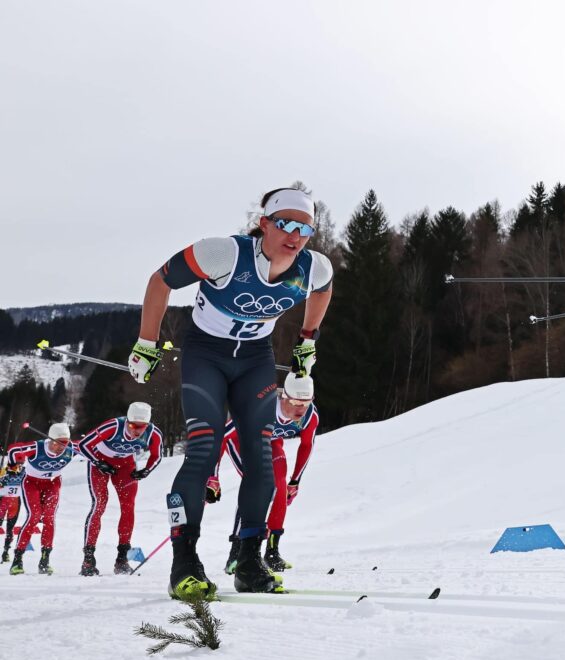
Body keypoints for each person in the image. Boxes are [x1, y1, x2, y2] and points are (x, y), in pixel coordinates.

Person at [130, 187, 333, 599]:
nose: (294, 236)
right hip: (206, 354)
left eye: (305, 228)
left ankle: (249, 560)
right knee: (203, 450)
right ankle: (184, 561)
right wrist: (146, 342)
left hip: (255, 359)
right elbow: (160, 280)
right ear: (264, 225)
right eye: (285, 224)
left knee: (261, 455)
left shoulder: (313, 268)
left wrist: (308, 337)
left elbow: (323, 290)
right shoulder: (224, 254)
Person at [207, 372, 320, 574]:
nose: (300, 408)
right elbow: (222, 437)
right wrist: (212, 476)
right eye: (295, 401)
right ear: (284, 397)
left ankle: (272, 551)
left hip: (270, 443)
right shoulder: (262, 408)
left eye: (306, 402)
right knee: (257, 486)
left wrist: (295, 481)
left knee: (280, 486)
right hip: (242, 442)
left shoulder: (310, 415)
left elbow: (307, 445)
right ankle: (236, 552)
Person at [77, 401, 163, 575]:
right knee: (99, 504)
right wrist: (98, 462)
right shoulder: (114, 426)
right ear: (127, 421)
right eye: (132, 426)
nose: (136, 431)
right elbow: (83, 445)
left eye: (142, 427)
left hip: (125, 465)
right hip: (100, 463)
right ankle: (88, 559)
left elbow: (157, 456)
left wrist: (145, 470)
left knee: (128, 506)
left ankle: (122, 558)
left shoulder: (153, 433)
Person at [5, 423, 78, 575]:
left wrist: (102, 463)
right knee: (34, 516)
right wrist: (12, 467)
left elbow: (91, 449)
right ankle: (17, 560)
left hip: (53, 484)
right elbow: (13, 449)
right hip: (32, 483)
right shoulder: (37, 447)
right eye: (59, 443)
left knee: (49, 518)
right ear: (50, 440)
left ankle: (45, 560)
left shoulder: (72, 448)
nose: (63, 447)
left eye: (66, 443)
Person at [1, 461, 25, 563]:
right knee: (9, 529)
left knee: (10, 529)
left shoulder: (22, 472)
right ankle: (5, 553)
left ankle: (5, 552)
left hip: (12, 503)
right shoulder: (6, 472)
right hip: (5, 502)